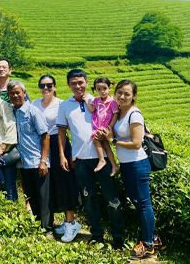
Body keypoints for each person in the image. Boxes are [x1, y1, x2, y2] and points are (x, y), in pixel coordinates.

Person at [57, 69, 124, 248]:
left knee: (112, 198)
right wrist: (63, 155)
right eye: (73, 83)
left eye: (81, 82)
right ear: (68, 85)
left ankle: (118, 237)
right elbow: (61, 133)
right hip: (80, 159)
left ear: (87, 83)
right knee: (88, 198)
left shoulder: (99, 101)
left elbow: (115, 120)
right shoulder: (64, 105)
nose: (77, 86)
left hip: (102, 157)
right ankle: (97, 234)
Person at [99, 80, 162, 260]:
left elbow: (135, 144)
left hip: (137, 164)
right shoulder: (120, 112)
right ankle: (154, 238)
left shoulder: (134, 114)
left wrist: (112, 140)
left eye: (127, 94)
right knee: (137, 202)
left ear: (134, 96)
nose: (122, 96)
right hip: (127, 164)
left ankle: (148, 245)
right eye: (119, 92)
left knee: (143, 203)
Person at [32, 75, 81, 241]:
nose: (45, 88)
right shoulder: (34, 103)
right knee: (50, 183)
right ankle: (59, 222)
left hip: (59, 144)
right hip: (42, 144)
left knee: (65, 182)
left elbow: (67, 128)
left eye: (49, 85)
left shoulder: (61, 104)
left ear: (55, 86)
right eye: (42, 85)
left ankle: (71, 222)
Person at [10, 80, 52, 231]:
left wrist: (44, 161)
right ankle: (37, 224)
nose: (15, 95)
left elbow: (45, 136)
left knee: (43, 197)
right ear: (8, 95)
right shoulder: (12, 112)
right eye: (12, 93)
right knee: (30, 196)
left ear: (24, 93)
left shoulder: (33, 111)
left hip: (36, 161)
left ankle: (47, 228)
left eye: (18, 92)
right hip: (22, 162)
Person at [85, 77, 120, 175]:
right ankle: (114, 165)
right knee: (105, 145)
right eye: (99, 89)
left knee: (96, 139)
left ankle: (102, 160)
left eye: (104, 88)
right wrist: (87, 101)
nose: (102, 91)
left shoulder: (112, 102)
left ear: (109, 88)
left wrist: (110, 127)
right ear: (95, 90)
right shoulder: (96, 101)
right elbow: (92, 110)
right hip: (99, 125)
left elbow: (115, 114)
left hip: (106, 126)